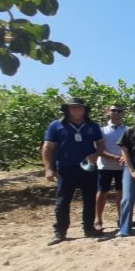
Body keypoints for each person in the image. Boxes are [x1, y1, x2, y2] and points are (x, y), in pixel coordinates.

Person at [43, 97, 105, 245]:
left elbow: (101, 145)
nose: (77, 110)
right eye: (73, 107)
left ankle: (89, 228)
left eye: (80, 107)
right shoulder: (56, 126)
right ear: (67, 109)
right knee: (63, 200)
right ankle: (60, 232)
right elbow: (47, 148)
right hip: (66, 168)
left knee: (89, 199)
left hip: (88, 167)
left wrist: (95, 155)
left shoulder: (92, 126)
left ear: (85, 110)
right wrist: (48, 169)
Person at [95, 104, 126, 232]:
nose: (117, 113)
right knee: (102, 193)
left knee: (121, 193)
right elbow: (99, 149)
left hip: (123, 168)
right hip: (105, 166)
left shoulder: (128, 130)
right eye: (114, 110)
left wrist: (124, 159)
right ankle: (98, 219)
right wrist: (115, 158)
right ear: (108, 112)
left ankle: (122, 219)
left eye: (120, 111)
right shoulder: (101, 130)